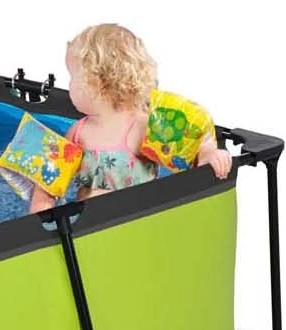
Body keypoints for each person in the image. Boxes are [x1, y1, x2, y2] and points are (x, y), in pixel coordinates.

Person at [26, 23, 232, 213]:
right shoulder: (77, 133)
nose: (69, 85)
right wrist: (42, 204)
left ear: (95, 83)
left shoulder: (140, 126)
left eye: (72, 77)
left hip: (133, 222)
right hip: (86, 228)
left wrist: (208, 154)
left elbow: (190, 147)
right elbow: (50, 179)